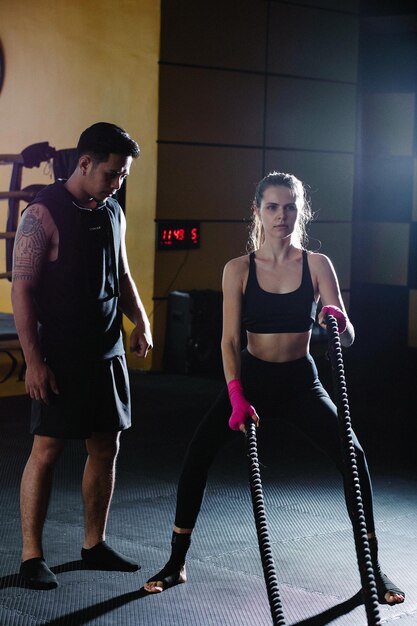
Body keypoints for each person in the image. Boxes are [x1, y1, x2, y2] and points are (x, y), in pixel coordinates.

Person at [144, 171, 404, 605]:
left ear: (300, 211)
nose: (281, 215)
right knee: (196, 456)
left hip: (302, 382)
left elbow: (348, 333)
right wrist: (235, 393)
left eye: (289, 207)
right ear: (258, 211)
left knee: (353, 457)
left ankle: (371, 569)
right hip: (253, 382)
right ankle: (176, 562)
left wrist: (337, 321)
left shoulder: (317, 265)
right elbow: (228, 341)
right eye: (272, 207)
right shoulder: (238, 270)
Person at [11, 122, 153, 590]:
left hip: (106, 350)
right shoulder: (42, 214)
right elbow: (23, 291)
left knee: (105, 445)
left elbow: (123, 270)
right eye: (113, 173)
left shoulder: (112, 210)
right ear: (85, 163)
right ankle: (32, 556)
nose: (118, 182)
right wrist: (33, 360)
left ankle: (94, 544)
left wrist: (141, 320)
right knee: (47, 450)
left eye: (124, 174)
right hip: (61, 352)